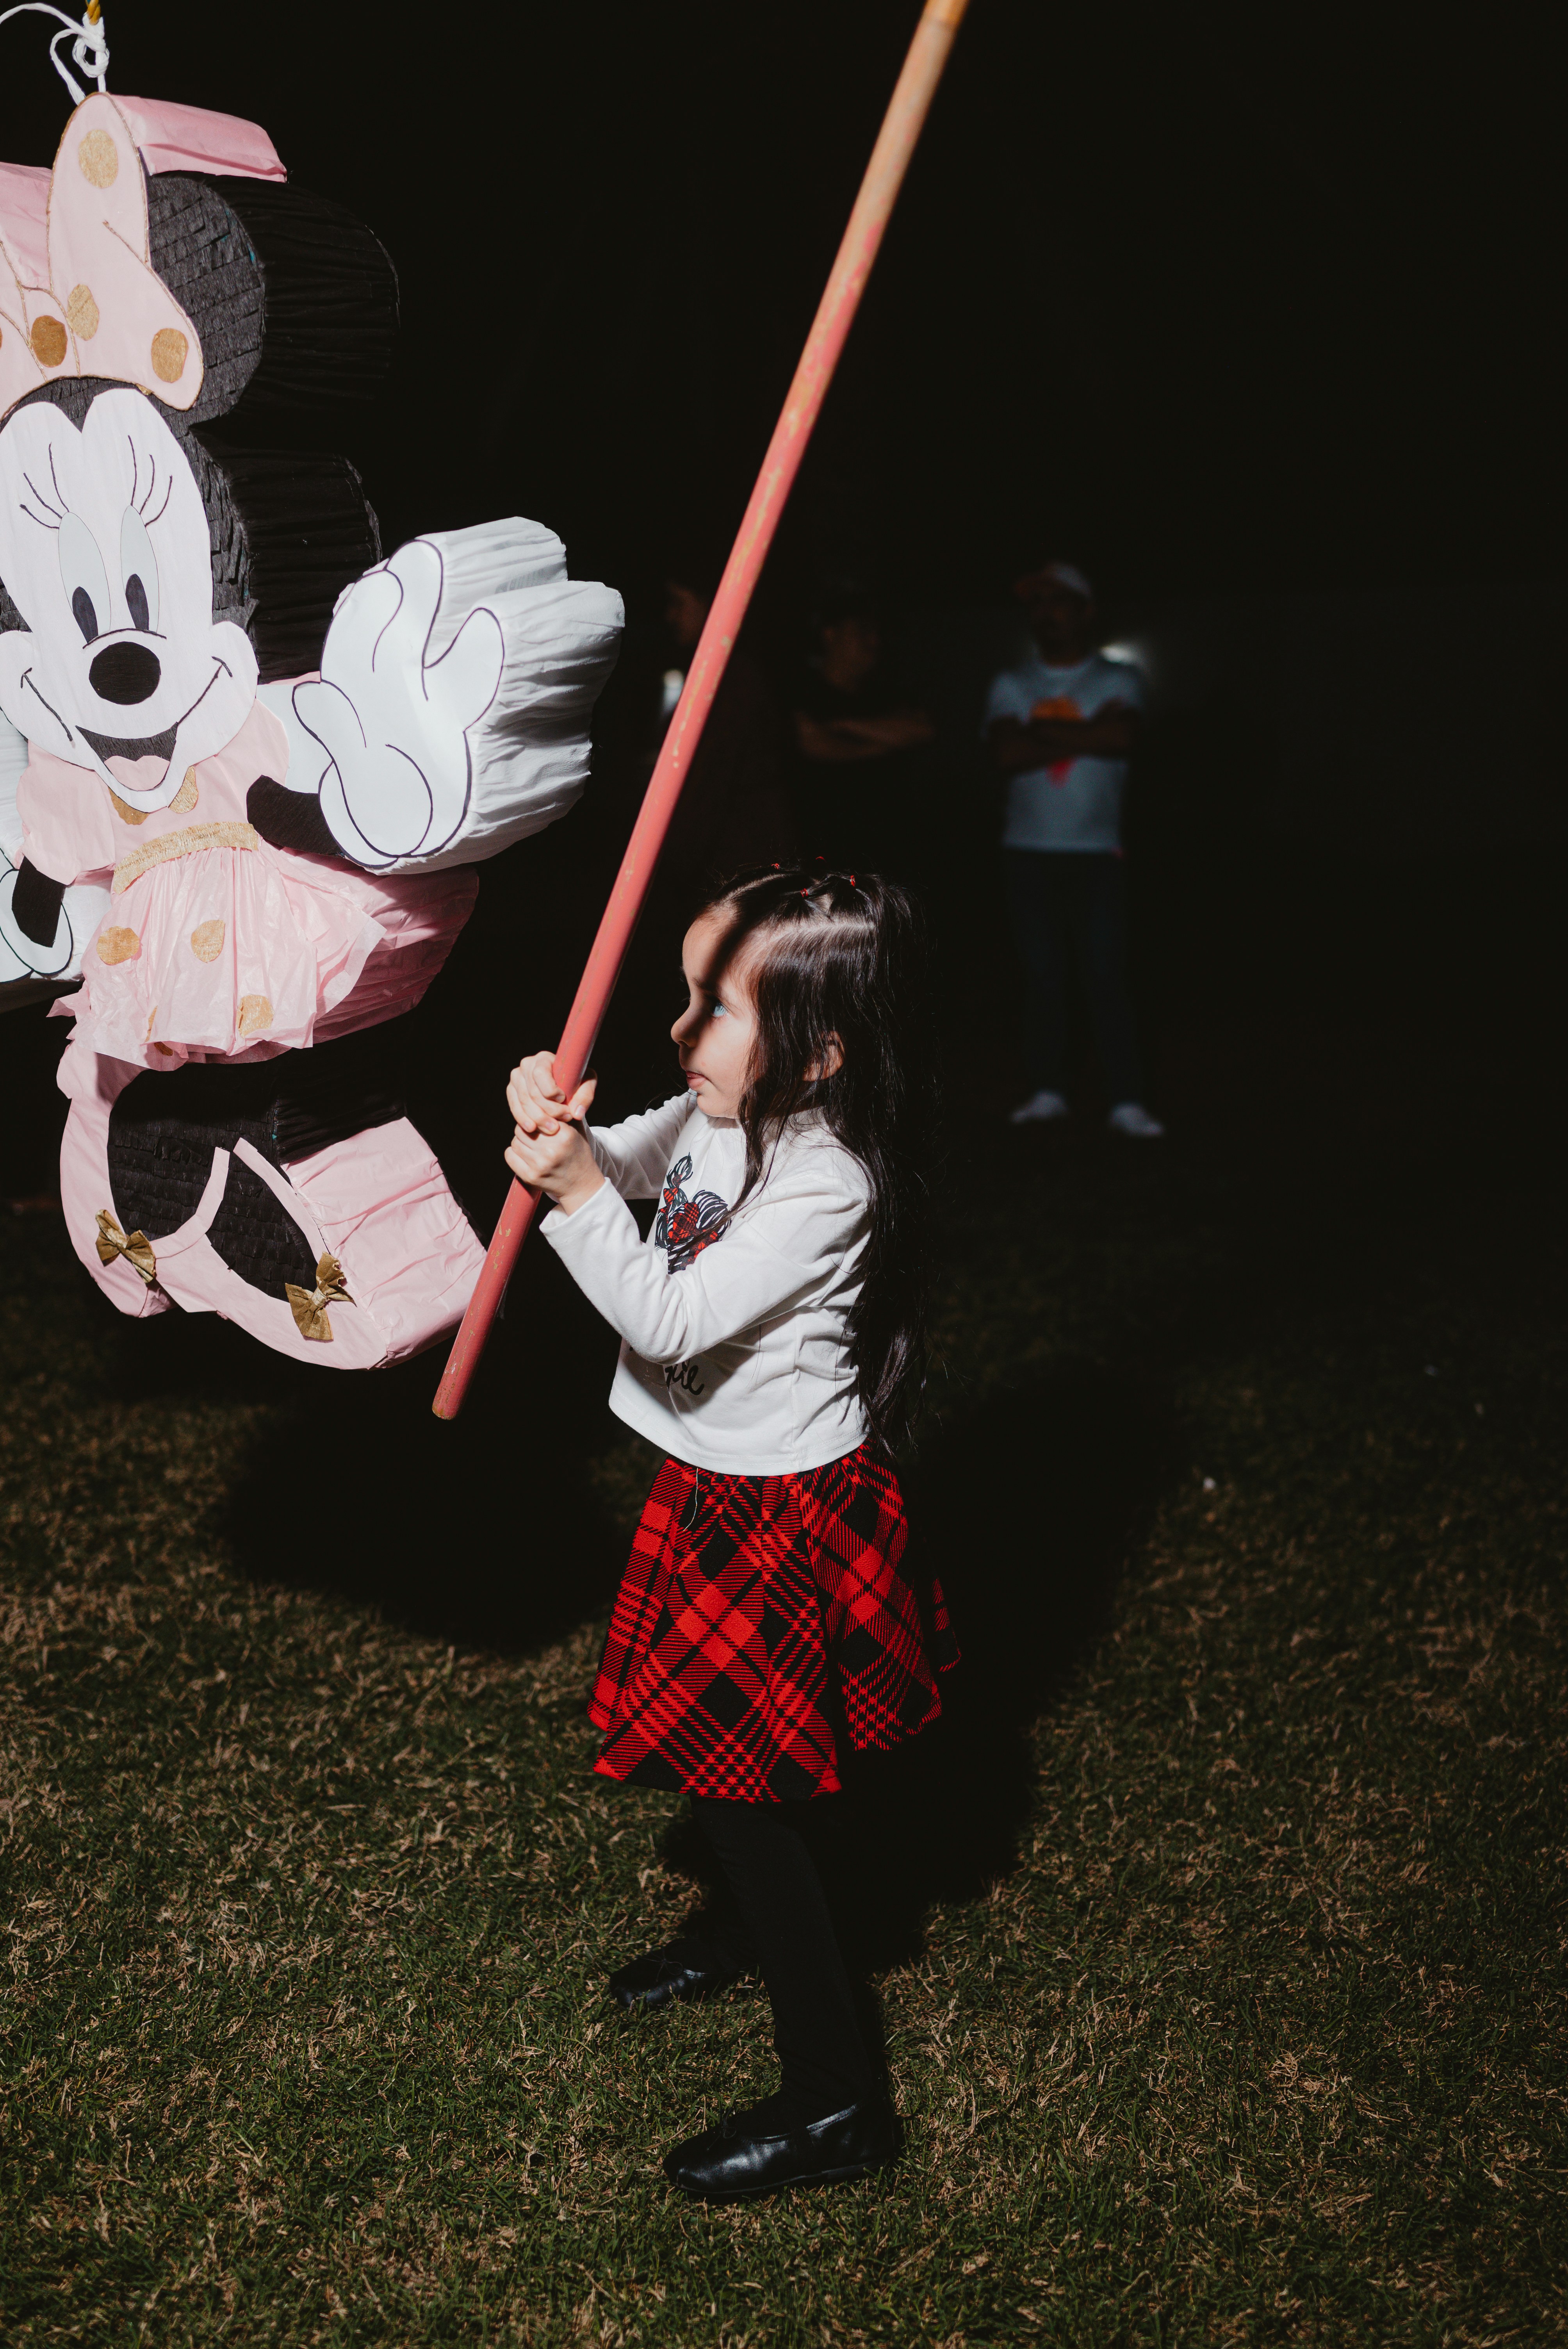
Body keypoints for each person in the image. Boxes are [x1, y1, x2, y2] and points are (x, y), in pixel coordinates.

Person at [503, 865, 956, 2201]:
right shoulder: (726, 1101)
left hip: (776, 1512)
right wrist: (570, 1131)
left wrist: (579, 1197)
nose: (676, 1028)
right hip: (709, 1480)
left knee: (748, 1794)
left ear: (820, 1051)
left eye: (713, 1005)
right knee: (727, 1764)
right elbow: (642, 1150)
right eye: (684, 988)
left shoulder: (829, 1180)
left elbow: (670, 1319)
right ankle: (738, 1930)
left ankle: (837, 2102)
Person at [985, 560, 1164, 1137]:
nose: (1046, 613)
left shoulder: (1118, 678)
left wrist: (1037, 733)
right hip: (1027, 852)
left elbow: (1123, 738)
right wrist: (1087, 734)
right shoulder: (1011, 683)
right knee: (1042, 977)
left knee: (1106, 975)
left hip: (1097, 852)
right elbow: (1005, 756)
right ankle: (1047, 1092)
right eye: (1036, 604)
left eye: (1058, 601)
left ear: (1086, 611)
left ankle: (1126, 1100)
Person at [792, 584, 935, 877]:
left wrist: (842, 726)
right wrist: (885, 743)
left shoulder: (887, 693)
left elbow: (922, 730)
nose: (874, 641)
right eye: (862, 631)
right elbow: (814, 743)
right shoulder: (803, 691)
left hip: (887, 852)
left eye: (876, 632)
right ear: (830, 634)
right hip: (823, 854)